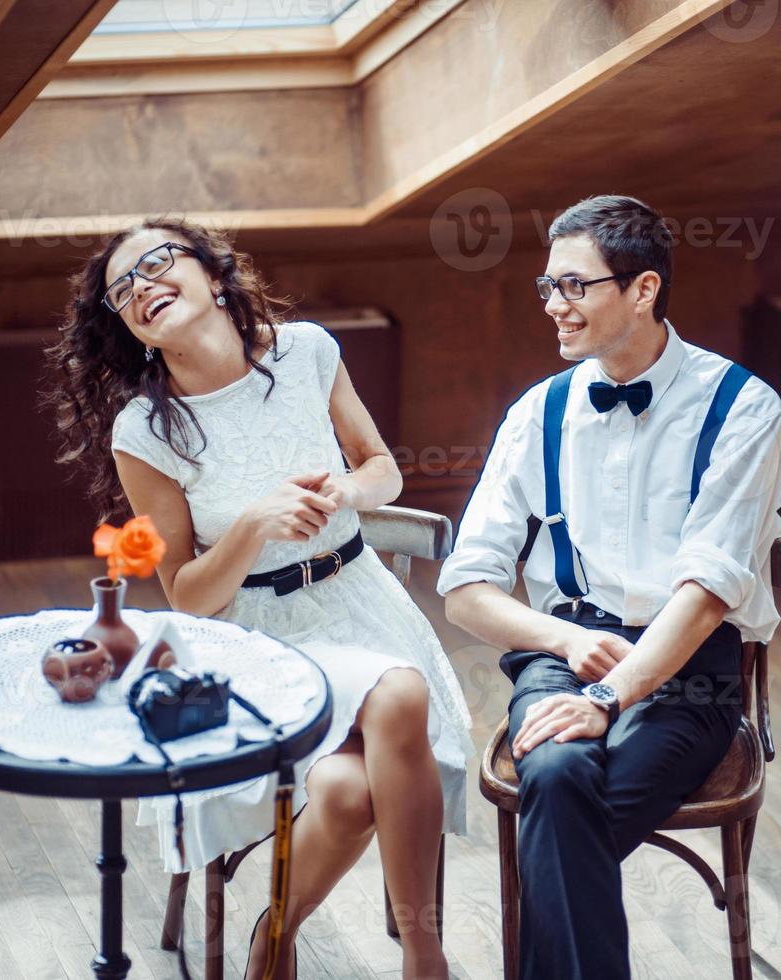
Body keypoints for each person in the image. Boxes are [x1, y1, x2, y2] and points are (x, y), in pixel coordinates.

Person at [44, 217, 470, 980]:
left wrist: (346, 487)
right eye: (121, 291)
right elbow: (187, 596)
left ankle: (274, 932)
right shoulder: (144, 431)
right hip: (254, 637)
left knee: (343, 792)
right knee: (399, 693)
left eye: (156, 263)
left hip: (356, 601)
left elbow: (382, 469)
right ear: (132, 331)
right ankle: (424, 956)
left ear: (214, 275)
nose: (141, 287)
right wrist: (250, 526)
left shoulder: (307, 352)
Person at [438, 195, 781, 978]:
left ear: (643, 289)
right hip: (562, 658)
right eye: (547, 288)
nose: (554, 308)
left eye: (574, 287)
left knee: (559, 804)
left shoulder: (744, 409)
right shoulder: (541, 412)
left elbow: (704, 594)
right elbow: (465, 589)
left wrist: (609, 698)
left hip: (690, 671)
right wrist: (567, 643)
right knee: (559, 772)